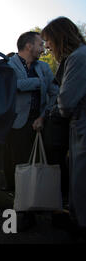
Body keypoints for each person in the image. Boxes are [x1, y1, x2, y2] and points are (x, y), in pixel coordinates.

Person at [7, 31, 59, 231]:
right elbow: (12, 87)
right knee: (19, 169)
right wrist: (38, 83)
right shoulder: (9, 65)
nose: (43, 47)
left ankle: (39, 206)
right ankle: (21, 213)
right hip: (17, 126)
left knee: (40, 166)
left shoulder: (44, 67)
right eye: (40, 44)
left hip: (40, 124)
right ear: (28, 46)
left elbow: (54, 94)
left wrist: (43, 117)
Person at [42, 17, 86, 239]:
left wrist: (54, 112)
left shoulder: (78, 58)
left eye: (48, 41)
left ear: (60, 37)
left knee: (80, 177)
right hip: (78, 124)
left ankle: (80, 224)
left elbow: (66, 102)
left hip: (81, 124)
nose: (47, 47)